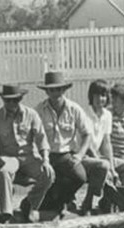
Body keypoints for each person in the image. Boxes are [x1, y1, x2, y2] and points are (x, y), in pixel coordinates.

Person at [0, 84, 53, 222]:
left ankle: (30, 204)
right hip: (10, 158)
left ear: (20, 99)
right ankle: (6, 214)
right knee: (3, 171)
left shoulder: (31, 115)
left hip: (29, 157)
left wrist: (45, 160)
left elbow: (42, 139)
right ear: (3, 100)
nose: (11, 103)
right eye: (8, 100)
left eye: (15, 100)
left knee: (49, 174)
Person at [36, 70, 91, 213]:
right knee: (45, 178)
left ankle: (59, 201)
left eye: (59, 89)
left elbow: (87, 134)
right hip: (46, 155)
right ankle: (46, 204)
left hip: (67, 155)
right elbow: (33, 136)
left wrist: (79, 155)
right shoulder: (39, 110)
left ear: (64, 90)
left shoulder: (74, 109)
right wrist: (41, 158)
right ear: (46, 92)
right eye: (52, 90)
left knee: (80, 177)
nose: (56, 93)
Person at [80, 79, 115, 215]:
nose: (100, 99)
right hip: (83, 156)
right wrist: (100, 160)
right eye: (97, 95)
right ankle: (88, 201)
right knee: (102, 166)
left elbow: (107, 142)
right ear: (91, 96)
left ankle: (108, 201)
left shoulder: (107, 115)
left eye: (103, 95)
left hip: (98, 156)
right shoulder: (84, 114)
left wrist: (112, 167)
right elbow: (87, 143)